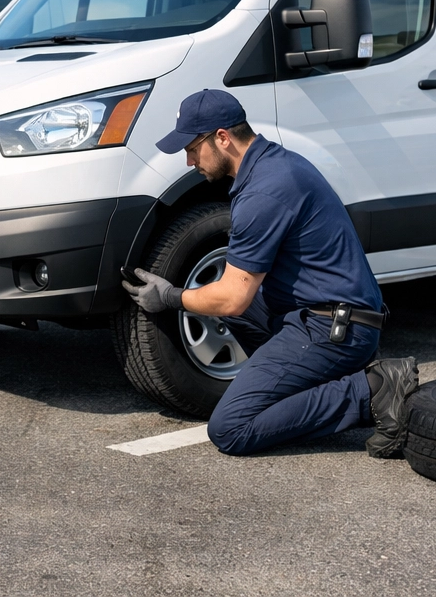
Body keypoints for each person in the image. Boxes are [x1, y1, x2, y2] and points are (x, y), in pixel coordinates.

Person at [123, 89, 419, 457]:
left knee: (230, 429)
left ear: (222, 138)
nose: (188, 161)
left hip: (335, 329)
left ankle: (372, 390)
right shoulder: (271, 166)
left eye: (192, 148)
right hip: (317, 315)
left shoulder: (266, 191)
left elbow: (233, 298)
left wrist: (170, 297)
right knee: (224, 300)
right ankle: (299, 386)